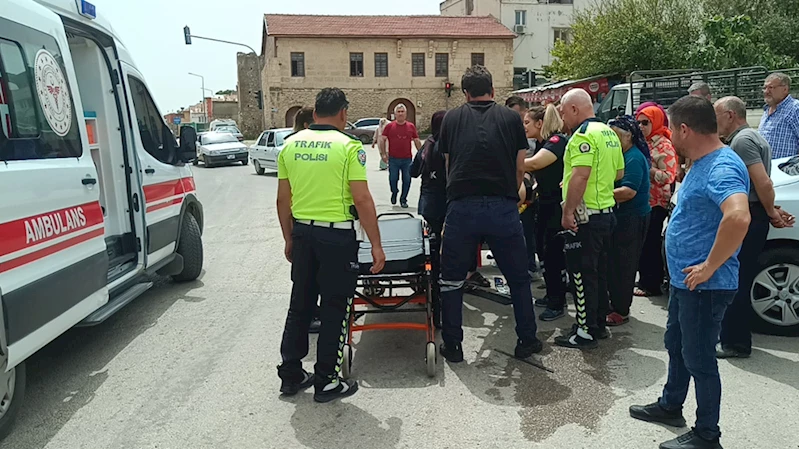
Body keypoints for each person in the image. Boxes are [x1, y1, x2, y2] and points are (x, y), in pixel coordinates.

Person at [630, 95, 751, 449]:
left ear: (684, 129)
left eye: (671, 129)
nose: (669, 136)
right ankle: (671, 404)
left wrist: (710, 265)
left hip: (706, 285)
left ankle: (707, 434)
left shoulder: (721, 166)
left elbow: (738, 216)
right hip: (688, 282)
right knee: (677, 344)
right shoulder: (702, 161)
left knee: (699, 359)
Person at [276, 88, 386, 402]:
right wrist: (376, 245)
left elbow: (283, 200)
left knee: (300, 306)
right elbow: (362, 199)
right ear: (343, 113)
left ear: (314, 114)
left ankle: (291, 374)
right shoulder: (349, 146)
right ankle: (326, 381)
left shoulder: (290, 145)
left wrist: (288, 237)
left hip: (303, 235)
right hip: (337, 239)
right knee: (335, 309)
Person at [437, 66, 543, 363]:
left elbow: (449, 165)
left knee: (452, 280)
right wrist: (511, 195)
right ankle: (527, 340)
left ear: (465, 93)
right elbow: (520, 166)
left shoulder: (451, 119)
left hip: (462, 205)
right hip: (502, 206)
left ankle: (453, 346)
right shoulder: (511, 118)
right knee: (518, 279)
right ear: (493, 90)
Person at [714, 96, 795, 358]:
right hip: (754, 212)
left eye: (717, 115)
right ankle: (734, 338)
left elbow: (763, 182)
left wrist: (770, 212)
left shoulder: (742, 141)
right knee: (740, 276)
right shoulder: (752, 137)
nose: (714, 121)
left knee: (735, 279)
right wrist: (771, 209)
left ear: (730, 115)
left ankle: (735, 343)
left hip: (749, 215)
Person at [554, 88, 624, 349]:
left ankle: (585, 331)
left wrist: (568, 211)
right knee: (599, 273)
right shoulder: (609, 133)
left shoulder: (582, 136)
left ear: (574, 109)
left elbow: (582, 174)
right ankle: (598, 324)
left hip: (586, 217)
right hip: (606, 214)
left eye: (563, 112)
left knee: (581, 276)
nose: (563, 119)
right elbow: (618, 173)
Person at [523, 104, 569, 321]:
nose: (524, 127)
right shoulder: (542, 143)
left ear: (540, 123)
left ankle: (557, 302)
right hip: (544, 204)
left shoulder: (556, 142)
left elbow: (534, 164)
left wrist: (506, 162)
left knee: (553, 255)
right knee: (543, 251)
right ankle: (552, 294)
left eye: (527, 122)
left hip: (556, 207)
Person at [606, 115, 651, 326]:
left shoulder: (633, 158)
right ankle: (614, 303)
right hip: (621, 216)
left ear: (628, 136)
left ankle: (621, 310)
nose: (613, 141)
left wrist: (598, 193)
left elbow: (628, 191)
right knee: (614, 262)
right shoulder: (621, 155)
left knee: (624, 265)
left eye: (616, 136)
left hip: (632, 217)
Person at [634, 105, 677, 298]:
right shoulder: (644, 143)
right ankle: (645, 278)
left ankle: (651, 284)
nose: (641, 127)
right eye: (638, 122)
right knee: (643, 243)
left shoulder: (664, 145)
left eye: (645, 123)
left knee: (650, 243)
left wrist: (647, 170)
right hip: (644, 200)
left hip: (657, 202)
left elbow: (669, 176)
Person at [410, 110, 448, 328]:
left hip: (428, 203)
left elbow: (413, 172)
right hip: (447, 202)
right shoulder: (449, 146)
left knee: (431, 245)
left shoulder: (427, 145)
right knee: (447, 245)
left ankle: (431, 282)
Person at [290, 106, 323, 334]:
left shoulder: (292, 146)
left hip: (300, 218)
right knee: (308, 276)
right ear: (306, 125)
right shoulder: (299, 147)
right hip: (306, 217)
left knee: (308, 274)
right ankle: (310, 316)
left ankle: (313, 311)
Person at [380, 104, 422, 208]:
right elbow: (382, 139)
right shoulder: (390, 126)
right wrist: (383, 154)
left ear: (406, 114)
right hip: (393, 159)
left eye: (402, 112)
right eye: (398, 112)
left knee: (407, 180)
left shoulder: (411, 126)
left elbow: (416, 140)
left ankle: (403, 199)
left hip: (407, 159)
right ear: (395, 114)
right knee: (393, 179)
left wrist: (422, 154)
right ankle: (394, 192)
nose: (400, 114)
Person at [759, 72, 799, 159]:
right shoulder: (766, 110)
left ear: (785, 89)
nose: (766, 91)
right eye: (765, 88)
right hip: (765, 166)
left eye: (771, 87)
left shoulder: (795, 109)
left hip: (786, 166)